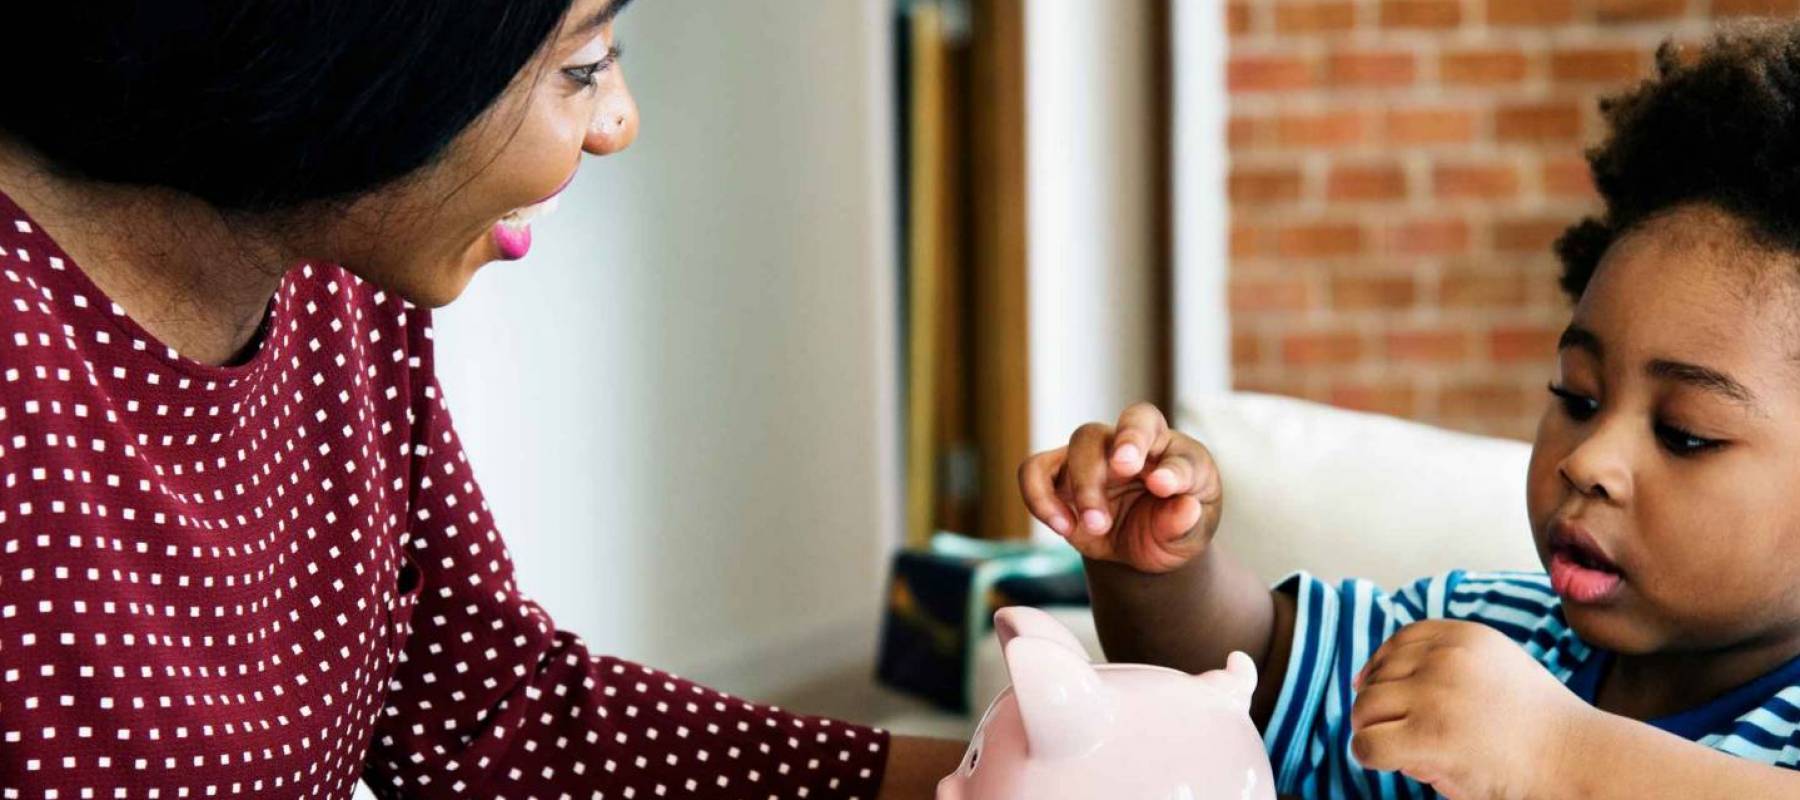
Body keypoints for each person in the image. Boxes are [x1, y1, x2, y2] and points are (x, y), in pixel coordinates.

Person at [0, 0, 962, 796]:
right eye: (583, 64)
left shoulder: (335, 277)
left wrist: (982, 782)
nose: (616, 123)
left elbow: (488, 712)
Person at [1021, 23, 1800, 800]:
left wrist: (1560, 756)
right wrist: (1157, 575)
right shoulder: (1492, 633)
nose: (1588, 459)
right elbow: (1250, 680)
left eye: (1685, 433)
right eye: (1578, 397)